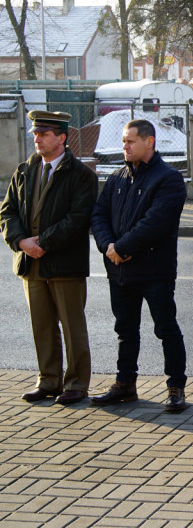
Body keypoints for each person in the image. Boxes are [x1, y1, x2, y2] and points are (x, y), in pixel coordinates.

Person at [90, 119, 189, 413]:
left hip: (153, 270)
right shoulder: (118, 178)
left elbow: (156, 223)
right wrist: (109, 248)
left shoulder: (168, 178)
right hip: (120, 271)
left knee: (166, 328)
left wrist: (121, 248)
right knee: (125, 329)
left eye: (130, 141)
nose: (125, 147)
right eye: (123, 141)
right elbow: (99, 215)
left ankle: (175, 387)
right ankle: (125, 384)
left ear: (150, 142)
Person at [1, 111, 98, 405]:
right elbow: (8, 211)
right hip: (31, 262)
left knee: (72, 326)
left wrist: (41, 242)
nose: (37, 139)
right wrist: (20, 241)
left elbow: (78, 219)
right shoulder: (25, 170)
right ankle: (49, 380)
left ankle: (77, 383)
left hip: (64, 263)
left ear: (61, 138)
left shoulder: (81, 174)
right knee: (41, 326)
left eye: (43, 134)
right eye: (35, 134)